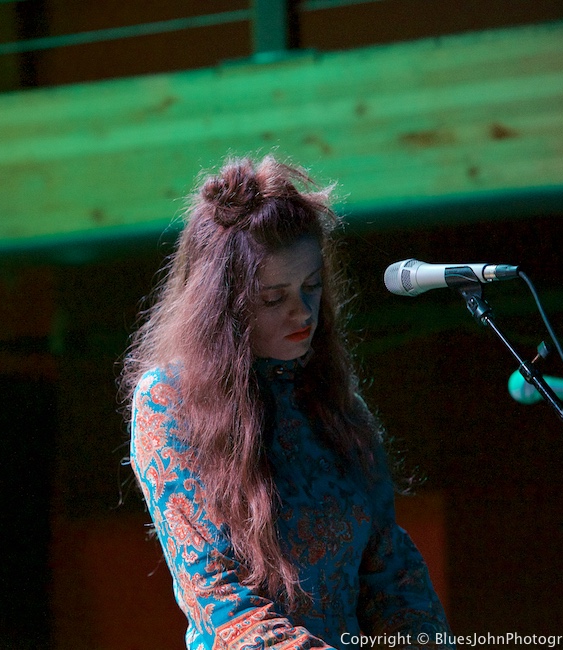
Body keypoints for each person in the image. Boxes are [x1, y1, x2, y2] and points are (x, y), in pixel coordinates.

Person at [122, 155, 453, 649]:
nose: (302, 310)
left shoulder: (336, 405)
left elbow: (392, 576)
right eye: (274, 298)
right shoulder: (168, 402)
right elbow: (218, 597)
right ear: (223, 308)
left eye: (312, 286)